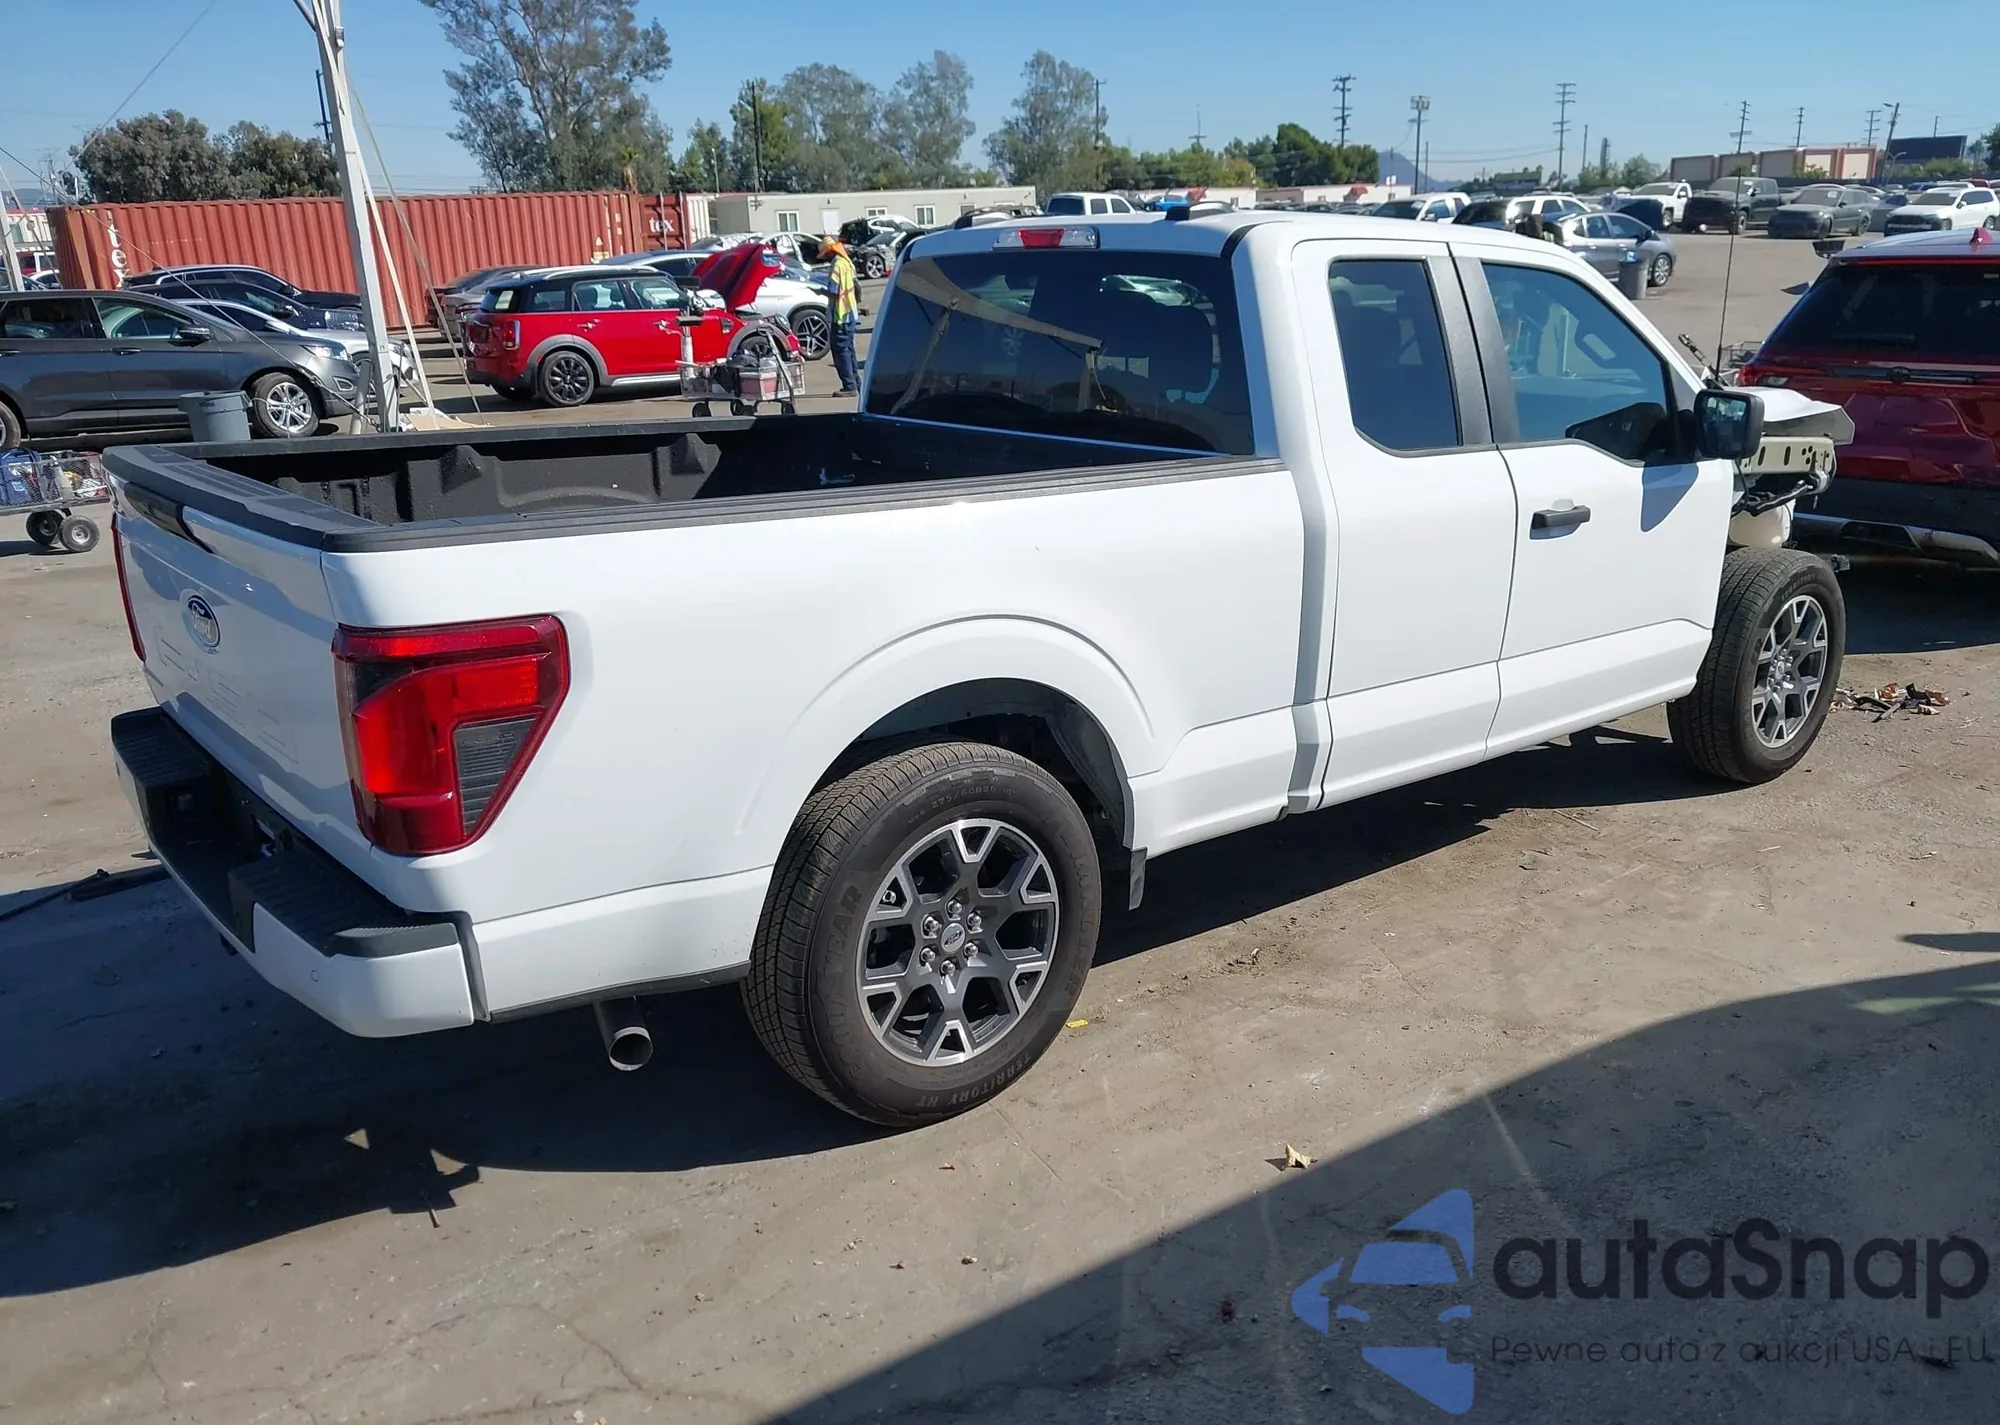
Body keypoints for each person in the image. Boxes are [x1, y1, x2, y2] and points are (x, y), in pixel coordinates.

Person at [822, 236, 860, 395]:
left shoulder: (836, 265)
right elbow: (857, 287)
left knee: (841, 351)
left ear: (830, 252)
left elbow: (834, 292)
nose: (824, 257)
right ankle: (856, 383)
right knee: (849, 350)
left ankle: (849, 386)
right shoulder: (846, 262)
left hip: (841, 314)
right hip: (850, 313)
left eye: (825, 254)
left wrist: (820, 291)